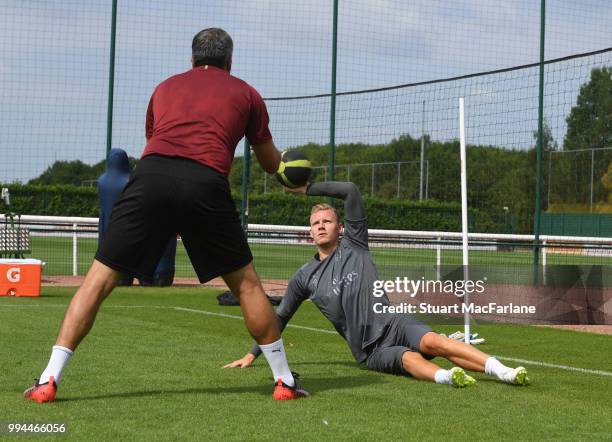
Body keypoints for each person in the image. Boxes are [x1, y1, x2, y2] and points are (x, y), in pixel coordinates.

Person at [24, 28, 308, 403]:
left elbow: (156, 141)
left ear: (191, 60)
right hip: (206, 181)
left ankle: (48, 379)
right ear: (230, 60)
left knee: (97, 281)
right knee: (246, 286)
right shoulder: (248, 94)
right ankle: (284, 382)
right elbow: (270, 160)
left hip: (151, 176)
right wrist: (287, 173)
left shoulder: (164, 88)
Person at [225, 182, 529, 388]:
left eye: (327, 221)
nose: (320, 226)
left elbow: (351, 191)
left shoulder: (355, 245)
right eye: (315, 223)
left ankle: (503, 371)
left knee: (434, 342)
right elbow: (279, 317)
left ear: (340, 227)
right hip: (368, 350)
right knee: (408, 359)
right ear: (309, 231)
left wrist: (308, 188)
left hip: (393, 322)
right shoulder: (304, 276)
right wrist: (252, 354)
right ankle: (450, 377)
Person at [98, 148, 177, 287]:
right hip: (144, 230)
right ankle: (154, 274)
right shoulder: (131, 180)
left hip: (110, 233)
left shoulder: (102, 181)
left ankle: (126, 275)